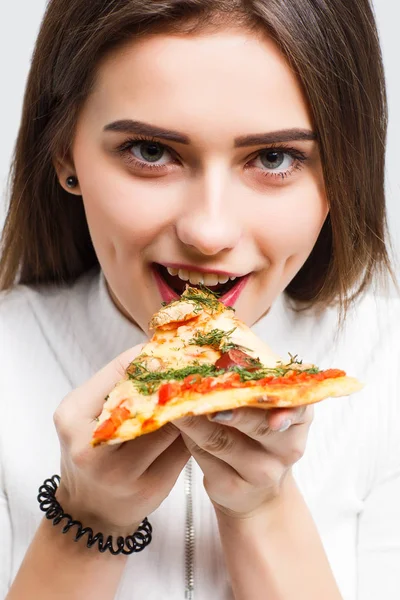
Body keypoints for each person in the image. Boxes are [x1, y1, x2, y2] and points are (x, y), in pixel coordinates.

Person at [0, 0, 399, 598]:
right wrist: (86, 520)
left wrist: (262, 505)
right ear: (65, 151)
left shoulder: (387, 366)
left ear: (345, 169)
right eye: (151, 151)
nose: (209, 232)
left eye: (274, 157)